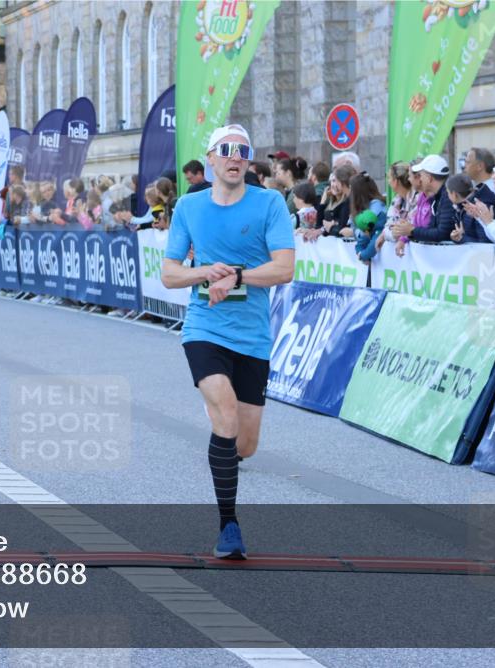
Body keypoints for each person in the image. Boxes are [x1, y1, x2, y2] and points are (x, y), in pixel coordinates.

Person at [161, 124, 294, 560]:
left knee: (245, 445)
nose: (234, 157)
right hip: (205, 328)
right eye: (226, 150)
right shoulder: (189, 206)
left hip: (253, 337)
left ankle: (224, 419)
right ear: (212, 158)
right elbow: (169, 273)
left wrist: (237, 275)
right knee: (225, 411)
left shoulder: (269, 203)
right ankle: (228, 525)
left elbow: (283, 270)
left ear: (248, 161)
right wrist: (206, 272)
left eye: (242, 151)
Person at [391, 154, 455, 244]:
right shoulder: (437, 197)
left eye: (421, 175)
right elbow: (432, 229)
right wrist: (409, 231)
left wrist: (412, 230)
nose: (420, 179)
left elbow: (442, 234)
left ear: (429, 178)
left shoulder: (448, 197)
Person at [349, 173, 387, 263]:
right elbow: (362, 238)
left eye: (351, 189)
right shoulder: (363, 209)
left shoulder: (376, 208)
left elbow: (374, 236)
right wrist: (359, 252)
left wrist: (363, 255)